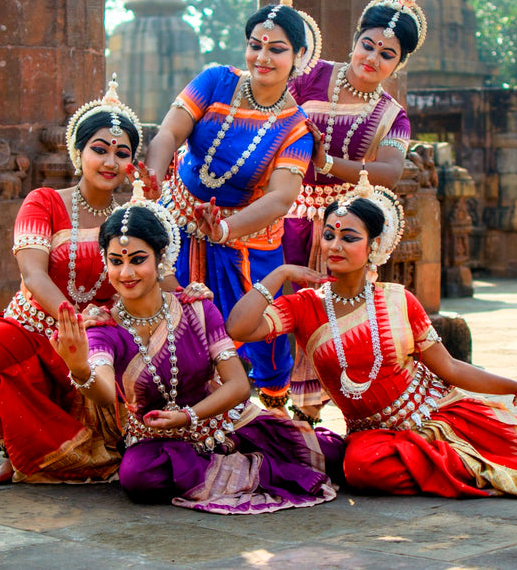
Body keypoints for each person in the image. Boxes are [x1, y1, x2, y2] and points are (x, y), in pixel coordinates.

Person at [227, 171, 517, 500]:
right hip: (374, 436)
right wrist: (280, 272)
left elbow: (449, 368)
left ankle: (448, 456)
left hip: (436, 415)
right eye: (329, 235)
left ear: (373, 245)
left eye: (349, 238)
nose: (335, 245)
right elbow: (238, 328)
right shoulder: (306, 305)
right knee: (362, 469)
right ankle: (458, 465)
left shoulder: (397, 299)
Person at [54, 179, 341, 513]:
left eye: (137, 259)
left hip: (221, 422)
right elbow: (105, 392)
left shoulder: (196, 308)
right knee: (137, 478)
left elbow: (236, 385)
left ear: (161, 258)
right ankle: (248, 469)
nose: (126, 272)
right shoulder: (104, 327)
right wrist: (78, 367)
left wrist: (189, 416)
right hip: (156, 440)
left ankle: (237, 461)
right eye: (116, 261)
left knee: (332, 457)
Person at [0, 79, 144, 486]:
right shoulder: (45, 200)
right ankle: (17, 450)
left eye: (122, 153)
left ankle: (67, 450)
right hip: (33, 324)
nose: (109, 162)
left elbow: (156, 281)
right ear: (77, 152)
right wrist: (69, 320)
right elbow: (33, 272)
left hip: (101, 340)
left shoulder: (134, 214)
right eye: (99, 149)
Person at [141, 0, 322, 413]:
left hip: (247, 236)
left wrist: (225, 229)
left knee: (260, 338)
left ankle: (274, 418)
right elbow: (169, 131)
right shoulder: (215, 80)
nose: (262, 57)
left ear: (297, 57)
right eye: (255, 45)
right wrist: (153, 174)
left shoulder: (296, 127)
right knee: (174, 322)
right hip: (179, 217)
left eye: (276, 49)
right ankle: (185, 411)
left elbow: (281, 198)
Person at [284, 0, 427, 424]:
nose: (372, 58)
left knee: (322, 318)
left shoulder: (391, 115)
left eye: (387, 55)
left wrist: (328, 162)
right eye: (368, 45)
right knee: (269, 309)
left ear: (399, 64)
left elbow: (389, 172)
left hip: (336, 227)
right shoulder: (308, 75)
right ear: (355, 41)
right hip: (280, 210)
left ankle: (307, 418)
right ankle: (264, 408)